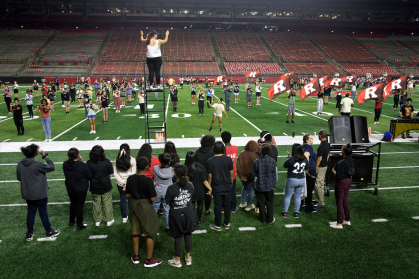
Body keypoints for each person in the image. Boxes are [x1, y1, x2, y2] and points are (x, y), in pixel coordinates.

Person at [17, 144, 59, 241]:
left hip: (27, 193)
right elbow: (52, 167)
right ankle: (49, 231)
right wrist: (45, 156)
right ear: (35, 154)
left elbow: (19, 178)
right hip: (40, 193)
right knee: (43, 212)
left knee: (31, 212)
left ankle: (29, 233)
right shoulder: (38, 164)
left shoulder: (20, 164)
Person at [126, 156, 162, 267]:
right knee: (150, 233)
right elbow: (153, 199)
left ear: (136, 165)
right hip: (146, 207)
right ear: (147, 167)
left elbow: (128, 195)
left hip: (134, 207)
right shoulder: (148, 180)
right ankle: (149, 260)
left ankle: (136, 257)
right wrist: (152, 186)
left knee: (135, 232)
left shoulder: (130, 179)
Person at [165, 164, 195, 268]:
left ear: (175, 174)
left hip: (176, 215)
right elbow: (191, 196)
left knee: (178, 237)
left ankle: (177, 261)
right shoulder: (190, 185)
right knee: (188, 234)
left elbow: (167, 203)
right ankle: (188, 258)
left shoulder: (171, 188)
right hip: (189, 213)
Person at [63, 148, 92, 231]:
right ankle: (79, 224)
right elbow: (89, 176)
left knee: (73, 204)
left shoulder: (65, 164)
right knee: (80, 206)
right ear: (78, 155)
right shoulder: (82, 165)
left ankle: (71, 221)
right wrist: (80, 161)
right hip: (81, 189)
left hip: (70, 187)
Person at [207, 141, 234, 231]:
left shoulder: (210, 161)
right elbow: (231, 173)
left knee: (218, 206)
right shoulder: (228, 159)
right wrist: (231, 182)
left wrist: (209, 188)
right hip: (227, 186)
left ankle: (218, 225)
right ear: (223, 149)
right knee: (227, 205)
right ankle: (227, 223)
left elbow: (210, 176)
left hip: (216, 187)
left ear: (214, 149)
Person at [87, 145, 114, 227]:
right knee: (107, 203)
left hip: (94, 186)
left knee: (96, 203)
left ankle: (97, 220)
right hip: (105, 185)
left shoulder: (88, 163)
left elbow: (88, 176)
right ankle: (108, 220)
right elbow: (111, 173)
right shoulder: (106, 161)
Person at [330, 143, 355, 229]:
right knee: (345, 200)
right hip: (349, 181)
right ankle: (347, 220)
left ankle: (339, 223)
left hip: (341, 183)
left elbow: (339, 175)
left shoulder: (341, 162)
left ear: (344, 152)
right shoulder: (351, 160)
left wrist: (333, 171)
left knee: (339, 203)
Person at [185, 151, 212, 229]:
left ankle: (192, 221)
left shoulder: (185, 168)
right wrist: (210, 188)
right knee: (200, 204)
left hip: (190, 191)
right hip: (200, 190)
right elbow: (204, 181)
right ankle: (199, 220)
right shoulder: (200, 168)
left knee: (192, 205)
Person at [281, 143, 309, 219]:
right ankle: (296, 212)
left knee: (288, 196)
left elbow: (284, 166)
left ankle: (285, 212)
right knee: (297, 197)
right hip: (301, 179)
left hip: (292, 179)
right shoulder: (304, 158)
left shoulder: (291, 159)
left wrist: (289, 157)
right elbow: (307, 169)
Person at [252, 144, 277, 223]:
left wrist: (255, 185)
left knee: (261, 203)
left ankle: (263, 218)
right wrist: (274, 185)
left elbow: (254, 176)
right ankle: (270, 219)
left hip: (259, 186)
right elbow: (274, 175)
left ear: (260, 151)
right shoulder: (272, 161)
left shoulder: (256, 162)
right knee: (269, 203)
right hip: (269, 186)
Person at [113, 144, 136, 223]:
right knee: (130, 199)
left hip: (120, 184)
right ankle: (131, 215)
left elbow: (115, 174)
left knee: (122, 199)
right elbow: (133, 173)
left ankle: (124, 217)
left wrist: (122, 182)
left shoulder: (116, 160)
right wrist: (127, 183)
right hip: (130, 183)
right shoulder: (132, 160)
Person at [152, 153, 174, 233]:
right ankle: (168, 228)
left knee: (154, 209)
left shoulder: (155, 168)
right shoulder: (172, 170)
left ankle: (152, 226)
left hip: (157, 191)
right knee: (167, 210)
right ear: (169, 162)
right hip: (167, 193)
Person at [195, 134, 215, 216]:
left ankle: (200, 211)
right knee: (208, 193)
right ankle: (207, 210)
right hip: (210, 176)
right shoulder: (213, 152)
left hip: (199, 176)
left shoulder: (197, 151)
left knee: (200, 195)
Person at [237, 140, 259, 211]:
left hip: (243, 177)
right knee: (251, 191)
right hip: (251, 177)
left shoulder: (241, 153)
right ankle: (248, 206)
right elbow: (255, 169)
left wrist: (241, 177)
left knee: (245, 188)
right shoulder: (256, 155)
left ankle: (242, 203)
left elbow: (238, 166)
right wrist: (249, 177)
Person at [221, 131, 238, 213]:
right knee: (233, 190)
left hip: (224, 174)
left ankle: (223, 208)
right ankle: (233, 207)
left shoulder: (222, 150)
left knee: (223, 191)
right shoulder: (235, 147)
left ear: (222, 140)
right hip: (233, 173)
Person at [302, 134, 318, 213]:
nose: (312, 139)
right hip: (310, 170)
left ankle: (303, 203)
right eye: (311, 138)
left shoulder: (303, 147)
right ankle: (309, 208)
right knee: (309, 189)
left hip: (305, 170)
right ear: (307, 140)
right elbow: (306, 155)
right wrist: (307, 167)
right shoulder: (309, 147)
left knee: (305, 188)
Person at [314, 129, 330, 208]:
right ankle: (319, 200)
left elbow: (319, 159)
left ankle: (321, 202)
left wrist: (316, 168)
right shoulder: (327, 144)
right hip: (324, 166)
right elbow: (328, 156)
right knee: (321, 184)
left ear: (320, 135)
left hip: (320, 167)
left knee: (317, 184)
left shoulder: (321, 146)